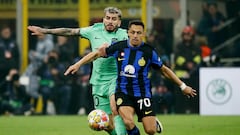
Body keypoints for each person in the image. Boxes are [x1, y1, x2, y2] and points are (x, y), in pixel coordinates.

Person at [64, 20, 197, 135]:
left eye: (138, 33)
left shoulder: (148, 51)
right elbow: (97, 54)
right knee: (128, 122)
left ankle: (151, 121)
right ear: (128, 32)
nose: (135, 35)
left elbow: (164, 70)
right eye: (132, 32)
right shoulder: (118, 46)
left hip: (142, 94)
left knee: (150, 131)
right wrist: (78, 64)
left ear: (143, 34)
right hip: (123, 92)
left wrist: (183, 86)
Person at [28, 7, 127, 135]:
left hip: (117, 78)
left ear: (119, 22)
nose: (110, 21)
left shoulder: (125, 35)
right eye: (107, 18)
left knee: (115, 109)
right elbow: (69, 31)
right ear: (103, 19)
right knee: (107, 124)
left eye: (114, 19)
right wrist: (44, 31)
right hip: (98, 81)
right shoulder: (94, 30)